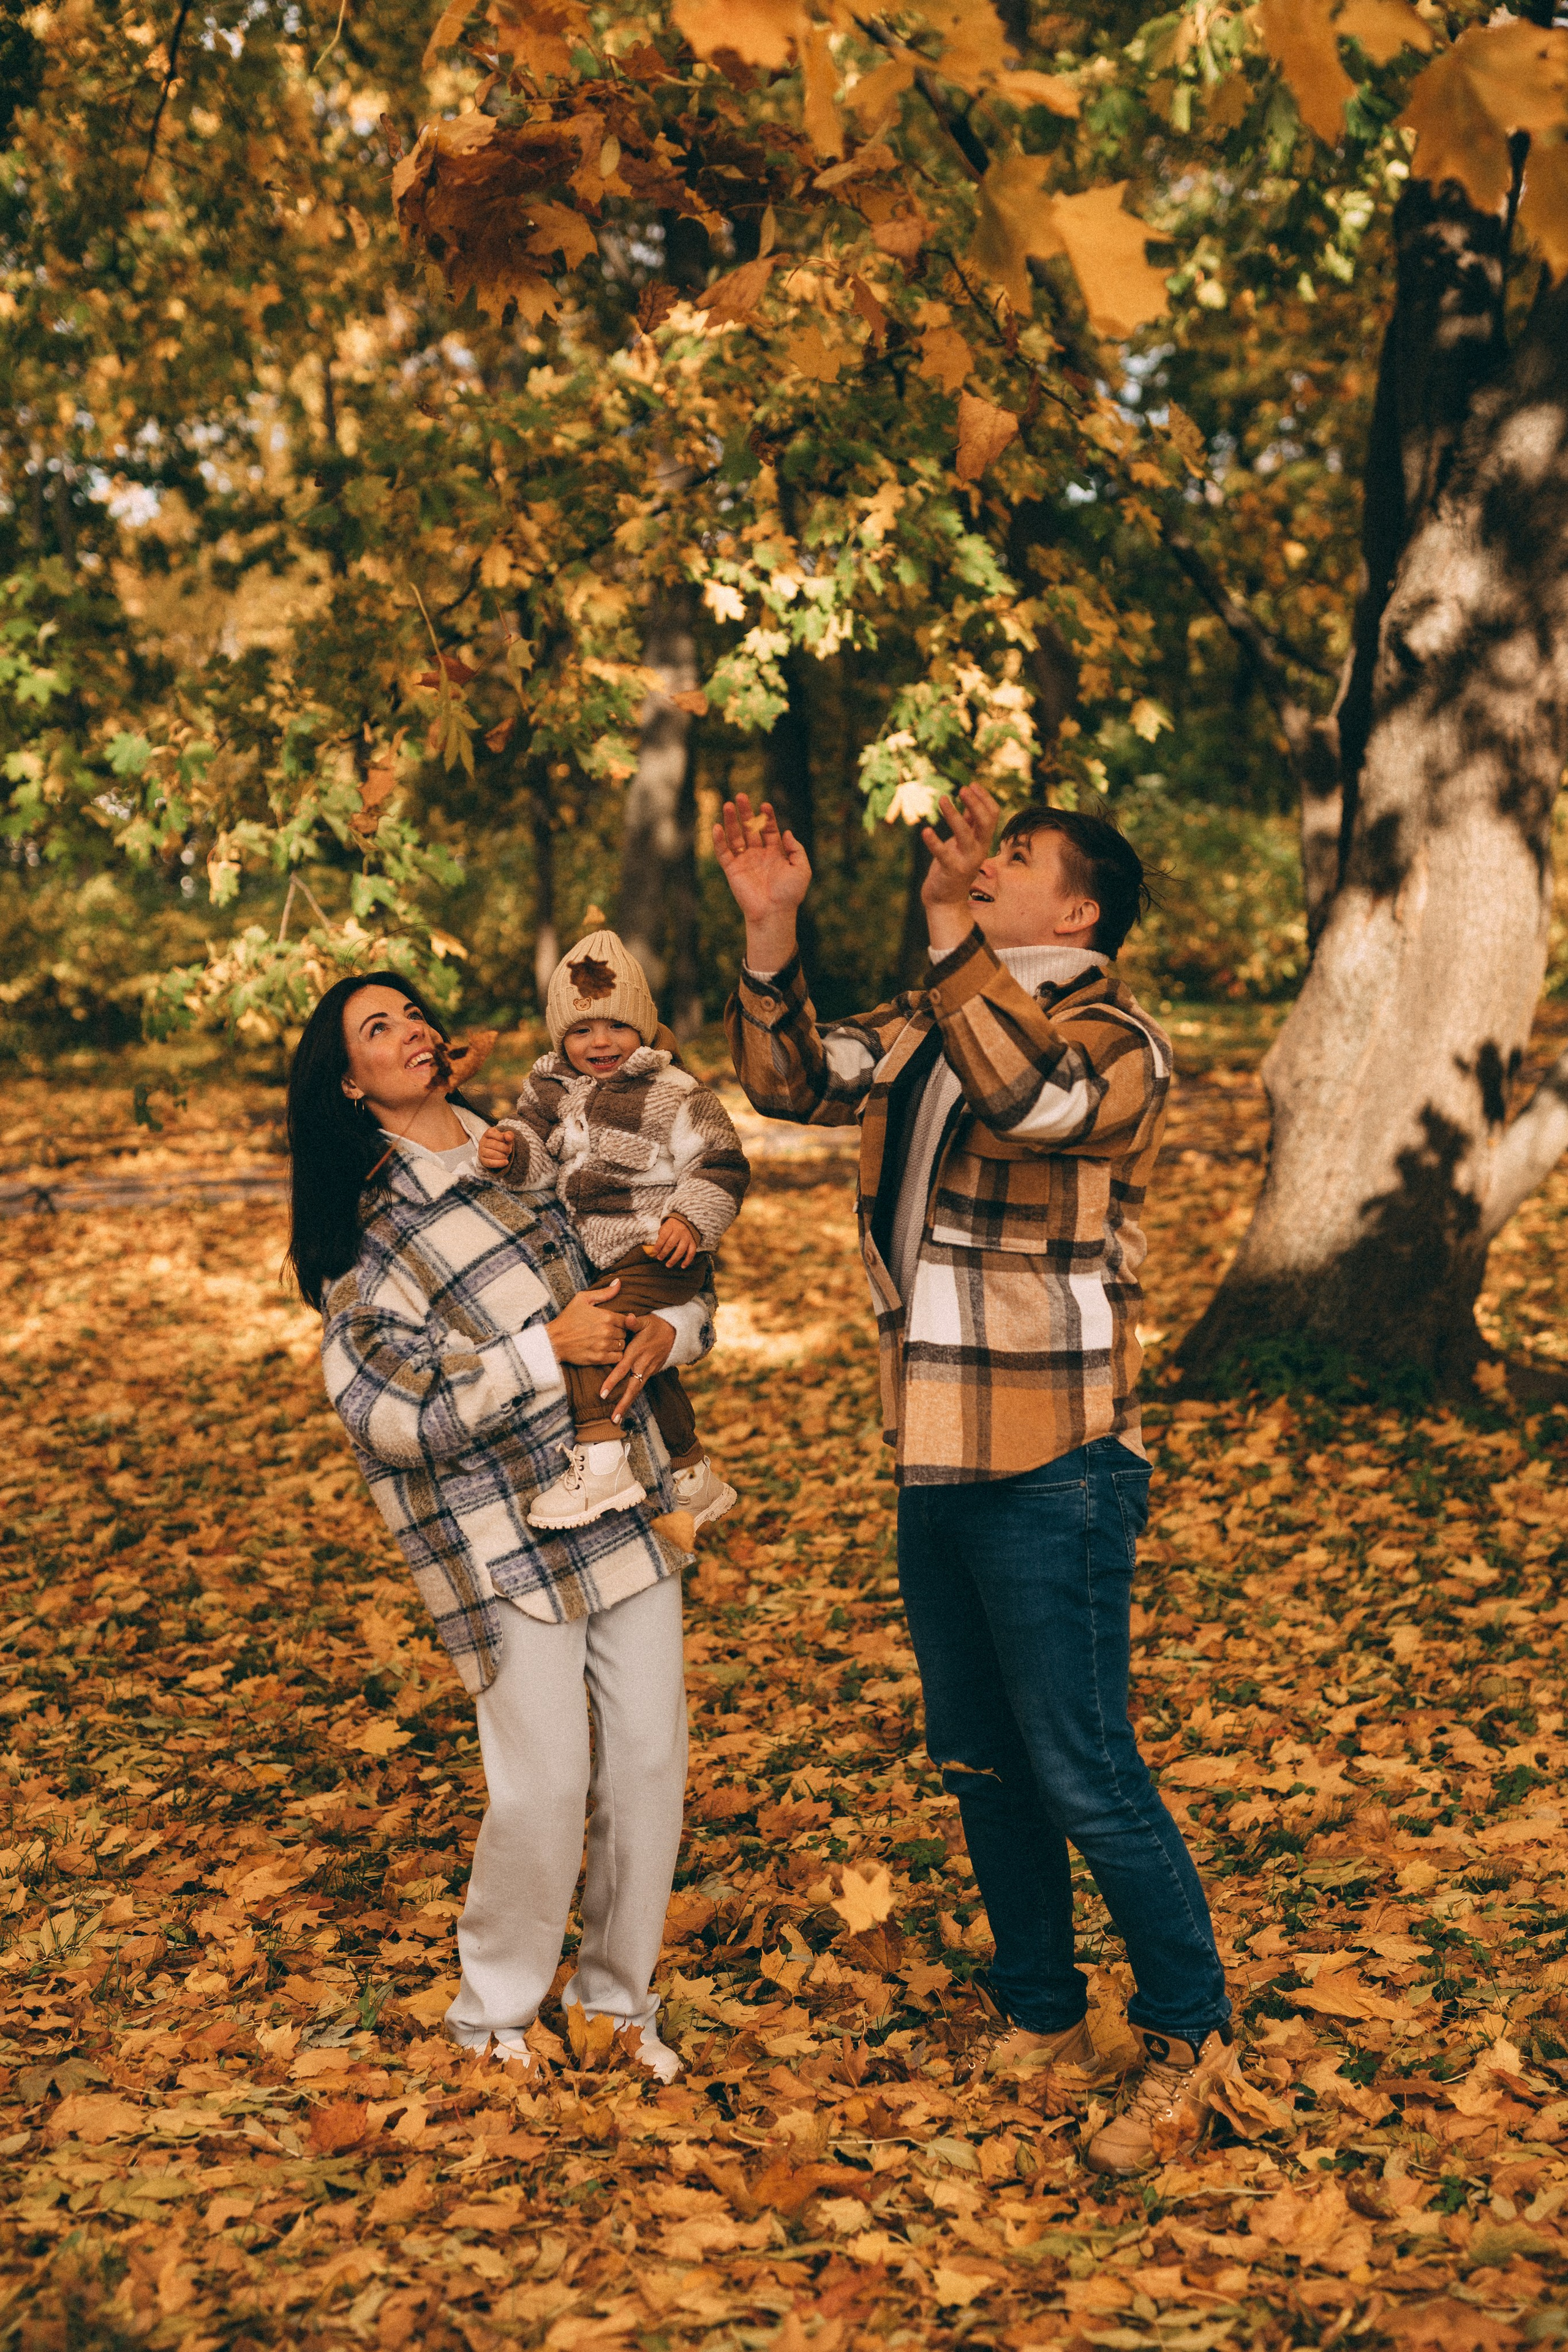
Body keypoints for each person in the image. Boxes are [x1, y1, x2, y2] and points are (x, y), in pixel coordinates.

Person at [717, 783, 1242, 2175]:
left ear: (1075, 912)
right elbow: (794, 1080)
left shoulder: (1106, 1035)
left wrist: (949, 931)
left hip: (1053, 1451)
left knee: (1080, 1762)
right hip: (933, 1440)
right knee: (977, 1754)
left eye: (1012, 856)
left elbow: (1028, 1099)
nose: (978, 862)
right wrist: (770, 930)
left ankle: (1192, 2034)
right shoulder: (935, 1014)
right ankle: (1041, 2011)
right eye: (980, 850)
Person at [287, 968, 707, 2083]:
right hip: (503, 1537)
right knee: (545, 1785)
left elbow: (642, 1256)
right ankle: (495, 2016)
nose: (412, 1032)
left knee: (652, 1765)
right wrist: (538, 1352)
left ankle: (618, 2005)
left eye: (416, 1013)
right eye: (379, 1029)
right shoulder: (369, 1232)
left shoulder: (535, 1145)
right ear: (347, 1082)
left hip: (619, 1488)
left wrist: (681, 1332)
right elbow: (386, 1412)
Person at [480, 929, 747, 1534]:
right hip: (612, 1257)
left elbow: (722, 1161)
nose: (600, 1043)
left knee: (592, 1334)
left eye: (617, 1027)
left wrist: (690, 1219)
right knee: (645, 1361)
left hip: (660, 1246)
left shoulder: (672, 1091)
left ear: (644, 1028)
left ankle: (601, 1458)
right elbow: (536, 1154)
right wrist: (508, 1150)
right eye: (580, 1030)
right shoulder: (550, 1090)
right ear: (560, 1037)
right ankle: (691, 1474)